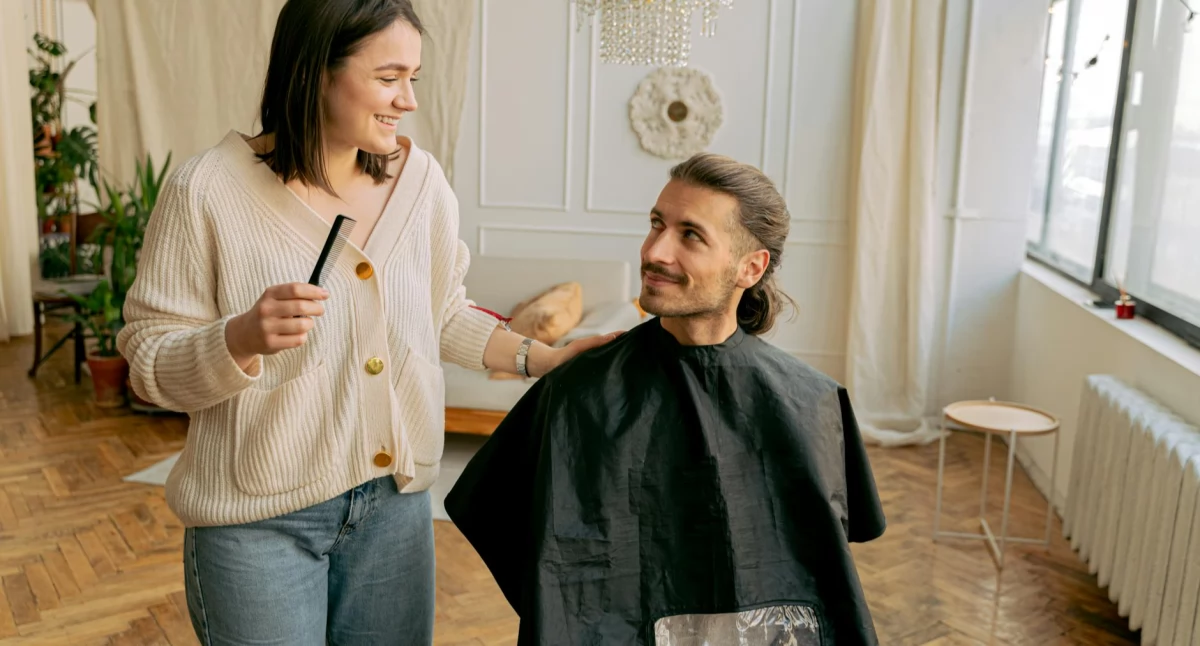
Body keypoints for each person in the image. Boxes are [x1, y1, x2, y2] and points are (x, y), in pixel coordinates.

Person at [115, 0, 613, 643]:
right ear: (316, 70)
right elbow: (148, 367)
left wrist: (540, 359)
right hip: (257, 522)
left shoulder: (422, 182)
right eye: (388, 78)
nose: (407, 99)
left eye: (415, 78)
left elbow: (440, 315)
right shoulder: (206, 192)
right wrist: (237, 338)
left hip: (394, 512)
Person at [445, 153, 888, 645]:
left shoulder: (814, 402)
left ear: (750, 266)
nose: (655, 251)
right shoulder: (577, 388)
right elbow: (496, 517)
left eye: (690, 235)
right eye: (656, 224)